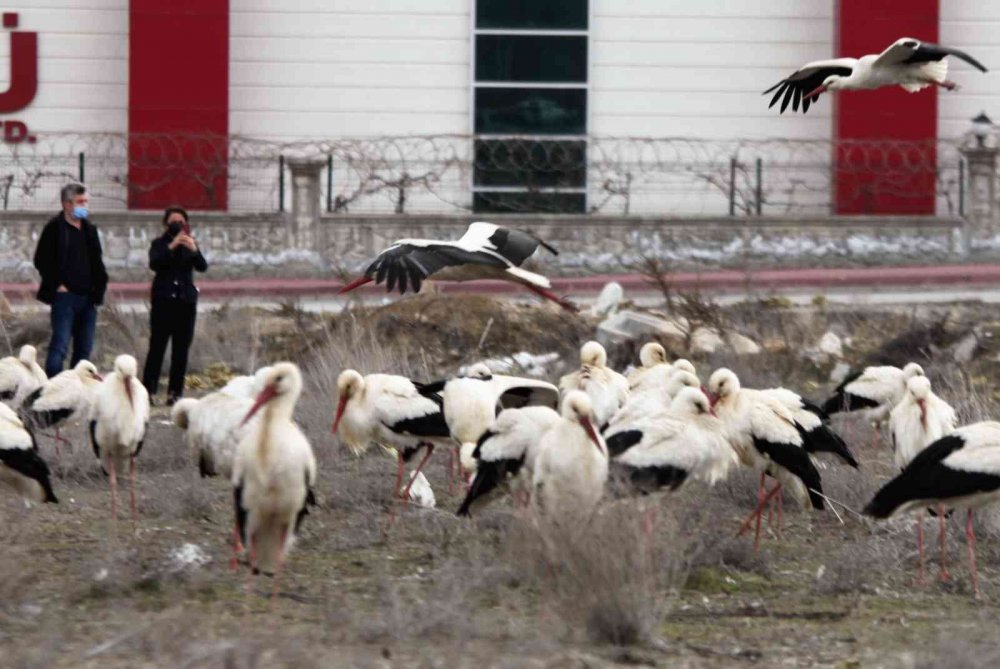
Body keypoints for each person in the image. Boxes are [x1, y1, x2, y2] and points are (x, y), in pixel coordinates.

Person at [33, 183, 109, 378]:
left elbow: (97, 261)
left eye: (86, 201)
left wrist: (99, 289)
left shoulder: (89, 229)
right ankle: (53, 385)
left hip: (89, 298)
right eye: (80, 202)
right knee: (60, 345)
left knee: (84, 350)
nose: (84, 205)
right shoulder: (54, 228)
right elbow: (41, 260)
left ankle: (75, 387)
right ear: (67, 204)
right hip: (65, 298)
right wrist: (59, 285)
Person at [142, 207, 208, 405]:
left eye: (181, 221)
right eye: (174, 221)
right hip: (163, 302)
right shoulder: (159, 244)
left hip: (185, 302)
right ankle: (149, 391)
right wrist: (172, 245)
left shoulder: (191, 243)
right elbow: (155, 263)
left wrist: (193, 249)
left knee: (181, 350)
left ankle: (175, 393)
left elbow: (202, 266)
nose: (178, 224)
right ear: (166, 223)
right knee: (157, 347)